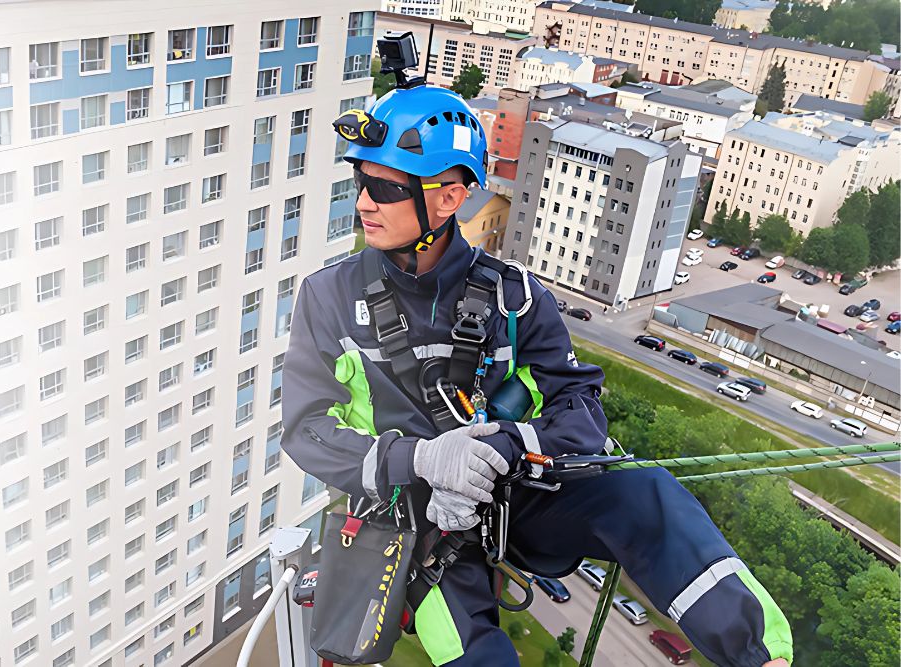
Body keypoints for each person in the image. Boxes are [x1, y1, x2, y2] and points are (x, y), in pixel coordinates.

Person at [281, 83, 793, 667]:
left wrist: (507, 445)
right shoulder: (329, 298)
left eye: (384, 188)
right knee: (473, 653)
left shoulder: (514, 298)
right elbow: (306, 431)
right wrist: (421, 461)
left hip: (510, 501)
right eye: (360, 182)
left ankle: (759, 656)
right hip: (410, 526)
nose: (364, 203)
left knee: (643, 493)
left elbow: (580, 411)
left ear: (448, 199)